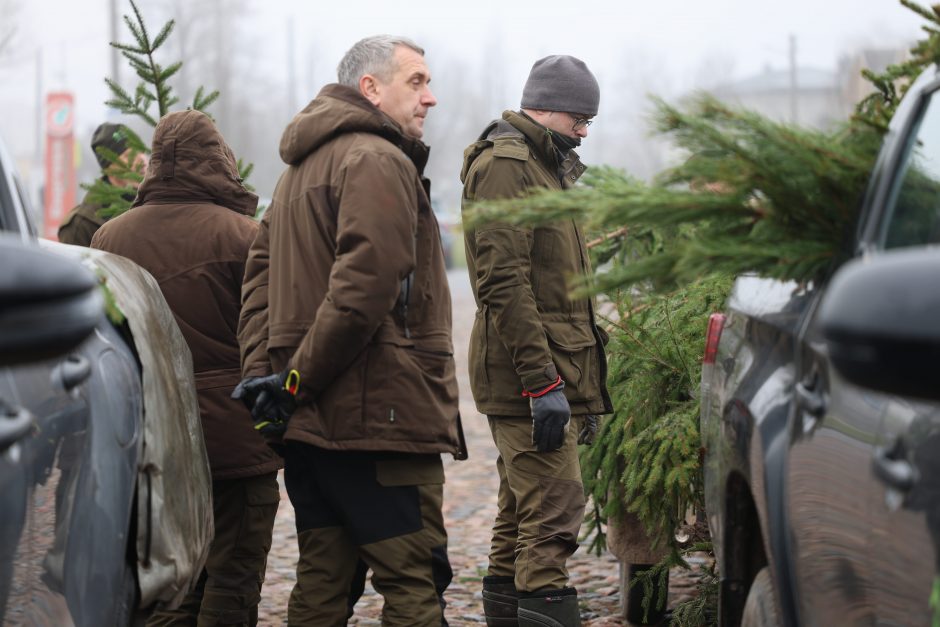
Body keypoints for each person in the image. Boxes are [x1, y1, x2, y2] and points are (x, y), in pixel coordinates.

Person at [235, 35, 466, 627]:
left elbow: (256, 282)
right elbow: (364, 288)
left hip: (314, 426)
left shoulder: (296, 170)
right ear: (370, 88)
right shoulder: (375, 158)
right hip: (378, 421)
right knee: (414, 584)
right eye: (415, 82)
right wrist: (291, 384)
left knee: (321, 587)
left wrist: (271, 385)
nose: (430, 97)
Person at [90, 110, 282, 627]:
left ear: (156, 164)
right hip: (236, 433)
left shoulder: (109, 239)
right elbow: (275, 332)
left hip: (151, 436)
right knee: (234, 574)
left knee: (170, 579)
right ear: (219, 160)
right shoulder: (245, 236)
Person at [459, 55, 613, 627]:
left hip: (549, 375)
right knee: (553, 513)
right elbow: (502, 281)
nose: (585, 129)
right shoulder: (507, 166)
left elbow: (562, 291)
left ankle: (506, 613)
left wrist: (580, 388)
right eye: (579, 116)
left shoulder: (546, 167)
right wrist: (543, 383)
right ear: (544, 106)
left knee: (520, 512)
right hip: (530, 378)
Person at [58, 122, 146, 246]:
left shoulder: (158, 203)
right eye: (128, 156)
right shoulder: (83, 224)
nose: (141, 160)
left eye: (141, 151)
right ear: (109, 168)